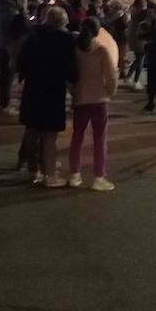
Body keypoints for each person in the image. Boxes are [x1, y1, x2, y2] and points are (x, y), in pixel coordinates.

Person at [17, 6, 76, 187]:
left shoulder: (33, 37)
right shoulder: (65, 41)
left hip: (33, 87)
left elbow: (21, 62)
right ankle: (50, 173)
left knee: (32, 130)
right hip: (53, 89)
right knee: (50, 134)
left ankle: (32, 170)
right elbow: (70, 68)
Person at [67, 18, 119, 191]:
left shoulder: (76, 49)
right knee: (99, 139)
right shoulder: (102, 50)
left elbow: (70, 74)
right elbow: (111, 76)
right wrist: (109, 93)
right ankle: (99, 177)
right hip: (99, 100)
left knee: (77, 138)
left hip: (80, 98)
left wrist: (73, 91)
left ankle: (74, 174)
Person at [0, 0, 20, 110]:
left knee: (3, 75)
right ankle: (5, 101)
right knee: (8, 76)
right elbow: (16, 31)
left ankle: (2, 99)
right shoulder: (12, 13)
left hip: (0, 44)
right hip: (10, 47)